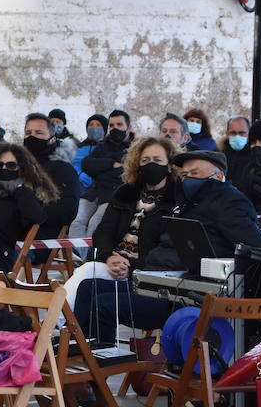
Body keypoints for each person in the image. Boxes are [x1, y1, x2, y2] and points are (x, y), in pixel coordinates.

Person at [70, 137, 179, 342]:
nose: (151, 165)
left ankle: (62, 328)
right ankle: (81, 346)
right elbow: (103, 232)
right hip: (114, 263)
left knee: (95, 291)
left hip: (145, 273)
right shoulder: (125, 193)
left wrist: (132, 266)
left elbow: (165, 253)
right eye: (145, 160)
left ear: (170, 164)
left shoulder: (176, 200)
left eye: (157, 159)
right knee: (87, 283)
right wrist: (109, 257)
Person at [142, 149, 261, 270]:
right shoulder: (186, 201)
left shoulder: (229, 201)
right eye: (185, 174)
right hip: (159, 271)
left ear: (219, 175)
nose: (188, 179)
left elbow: (257, 250)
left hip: (192, 282)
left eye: (195, 173)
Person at [0, 142, 56, 279]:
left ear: (22, 168)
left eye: (11, 165)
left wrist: (21, 191)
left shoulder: (25, 196)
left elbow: (36, 218)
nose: (4, 169)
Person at [71, 110, 132, 248]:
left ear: (128, 127)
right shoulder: (102, 145)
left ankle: (90, 260)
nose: (115, 128)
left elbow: (123, 173)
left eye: (119, 124)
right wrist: (111, 164)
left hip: (113, 195)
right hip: (93, 193)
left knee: (95, 222)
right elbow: (86, 164)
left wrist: (99, 168)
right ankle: (77, 258)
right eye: (111, 125)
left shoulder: (132, 149)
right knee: (77, 222)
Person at [22, 113, 79, 240]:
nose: (32, 137)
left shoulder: (63, 170)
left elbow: (67, 211)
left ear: (52, 139)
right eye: (28, 133)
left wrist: (28, 212)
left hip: (39, 239)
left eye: (39, 133)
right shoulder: (15, 166)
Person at [73, 114, 108, 194]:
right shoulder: (78, 147)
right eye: (91, 125)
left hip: (102, 189)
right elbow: (74, 164)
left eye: (98, 125)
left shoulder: (108, 147)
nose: (94, 127)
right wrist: (81, 176)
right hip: (80, 187)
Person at [220, 115, 252, 188]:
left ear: (249, 133)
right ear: (227, 134)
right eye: (233, 133)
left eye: (242, 133)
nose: (237, 137)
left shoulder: (256, 158)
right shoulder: (220, 157)